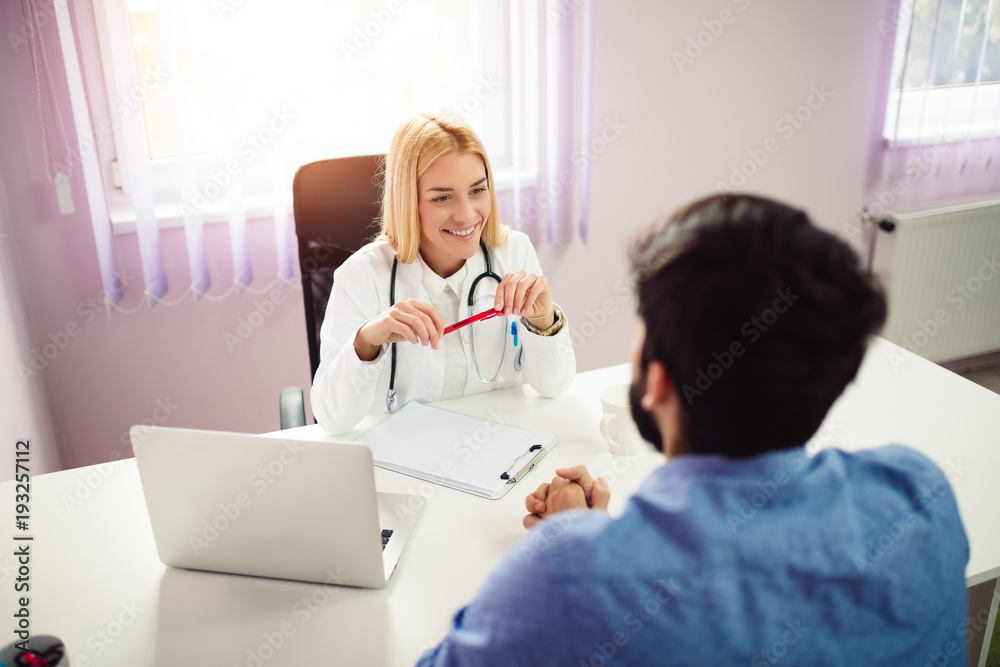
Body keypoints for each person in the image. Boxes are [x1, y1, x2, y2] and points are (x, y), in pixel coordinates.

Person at [416, 194, 969, 666]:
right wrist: (600, 549)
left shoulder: (564, 578)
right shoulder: (918, 494)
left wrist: (578, 551)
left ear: (657, 382)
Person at [311, 113, 576, 435]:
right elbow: (333, 421)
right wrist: (368, 340)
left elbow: (555, 386)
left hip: (497, 443)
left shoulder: (514, 252)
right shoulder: (362, 274)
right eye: (442, 198)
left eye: (477, 190)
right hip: (406, 454)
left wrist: (543, 319)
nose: (466, 215)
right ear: (408, 202)